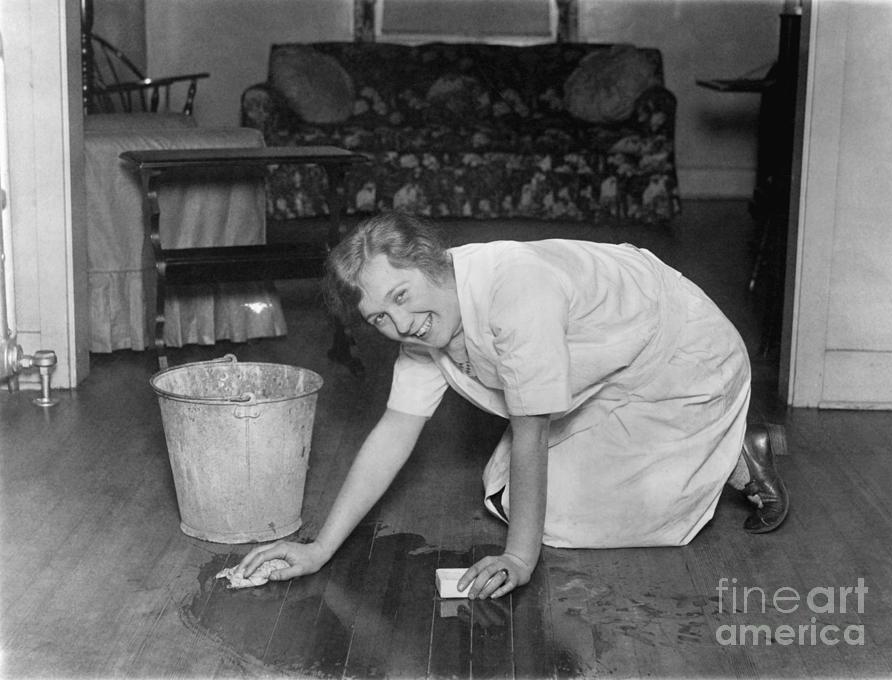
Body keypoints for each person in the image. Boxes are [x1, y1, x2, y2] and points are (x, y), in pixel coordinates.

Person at [238, 211, 789, 600]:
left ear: (431, 263)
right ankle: (711, 450)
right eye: (379, 317)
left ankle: (736, 451)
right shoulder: (423, 331)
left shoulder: (515, 292)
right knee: (506, 495)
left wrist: (520, 561)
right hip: (608, 375)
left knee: (570, 518)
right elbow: (394, 431)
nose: (400, 323)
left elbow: (531, 429)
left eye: (401, 296)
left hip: (680, 357)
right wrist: (319, 549)